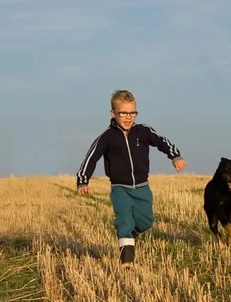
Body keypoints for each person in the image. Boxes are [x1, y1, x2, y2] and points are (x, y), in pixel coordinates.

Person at [76, 90, 186, 266]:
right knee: (125, 220)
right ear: (113, 113)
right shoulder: (107, 137)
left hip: (142, 187)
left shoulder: (143, 131)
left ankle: (128, 237)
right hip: (120, 188)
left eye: (132, 113)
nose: (128, 117)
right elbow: (91, 157)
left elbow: (162, 141)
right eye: (123, 113)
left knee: (146, 221)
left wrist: (175, 156)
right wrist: (83, 180)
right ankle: (127, 262)